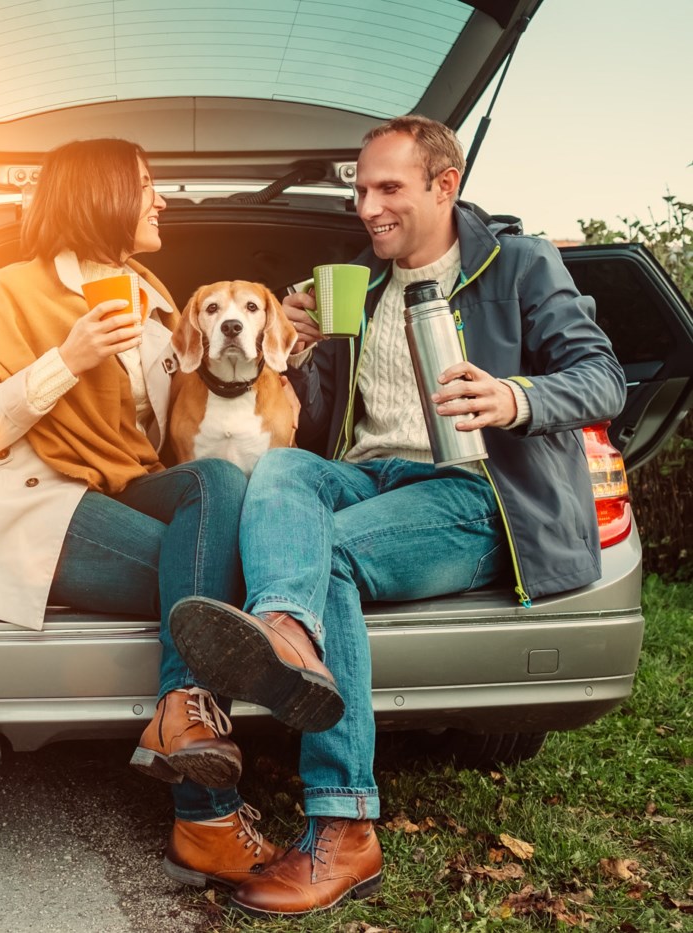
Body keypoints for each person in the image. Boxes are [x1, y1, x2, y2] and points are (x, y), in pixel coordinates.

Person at [166, 114, 625, 918]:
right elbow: (320, 418)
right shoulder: (359, 282)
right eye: (360, 191)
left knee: (327, 554)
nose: (367, 207)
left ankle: (343, 824)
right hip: (366, 475)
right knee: (281, 468)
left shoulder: (516, 263)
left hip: (474, 491)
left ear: (444, 185)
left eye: (388, 188)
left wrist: (516, 397)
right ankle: (287, 628)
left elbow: (602, 376)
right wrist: (302, 354)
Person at [0, 138, 278, 888]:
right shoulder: (8, 292)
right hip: (40, 499)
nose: (160, 200)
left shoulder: (151, 295)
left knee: (215, 483)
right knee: (209, 581)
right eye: (147, 185)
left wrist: (280, 343)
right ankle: (207, 816)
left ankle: (179, 715)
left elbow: (184, 418)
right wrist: (69, 356)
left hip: (125, 486)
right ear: (102, 196)